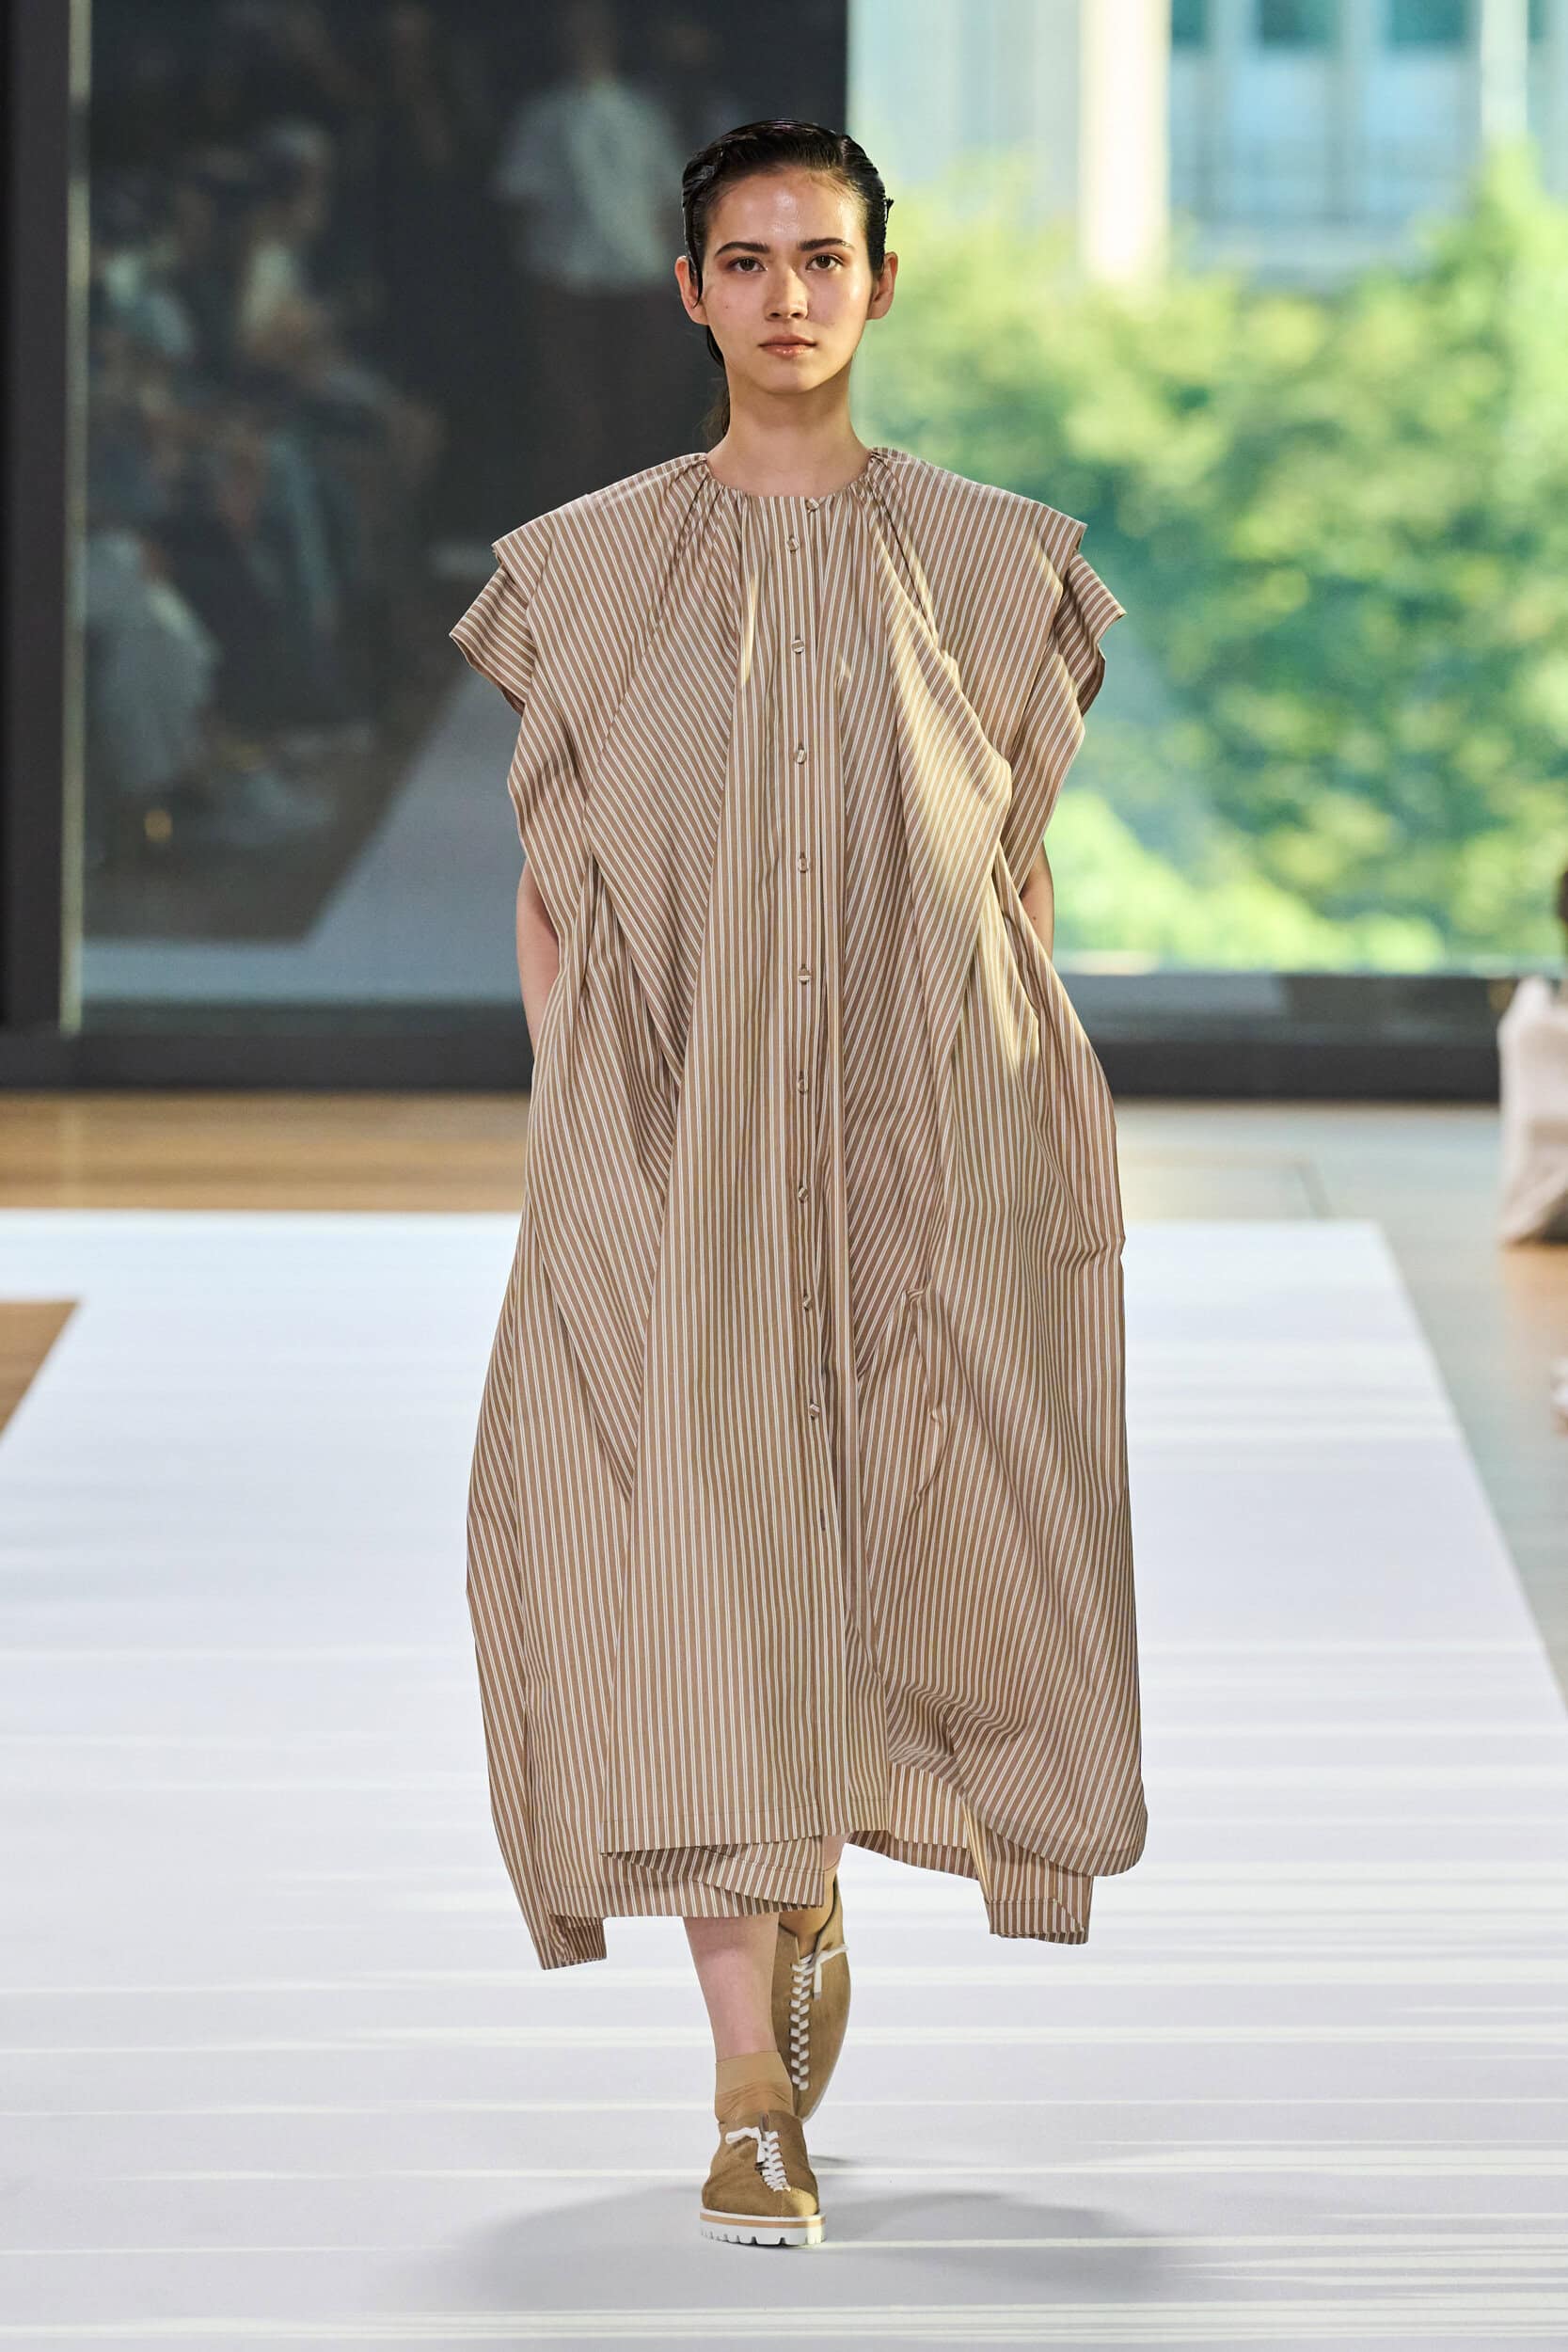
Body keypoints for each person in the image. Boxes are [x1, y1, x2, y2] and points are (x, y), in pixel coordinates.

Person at [449, 118, 1148, 2250]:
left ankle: (813, 1856)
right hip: (666, 1143)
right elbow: (553, 882)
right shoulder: (588, 569)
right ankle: (749, 2086)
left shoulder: (991, 560)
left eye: (821, 257)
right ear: (690, 292)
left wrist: (1008, 1132)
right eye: (745, 261)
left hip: (933, 1133)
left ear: (880, 282)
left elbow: (1011, 876)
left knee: (907, 1523)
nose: (785, 295)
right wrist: (586, 1118)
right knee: (679, 1555)